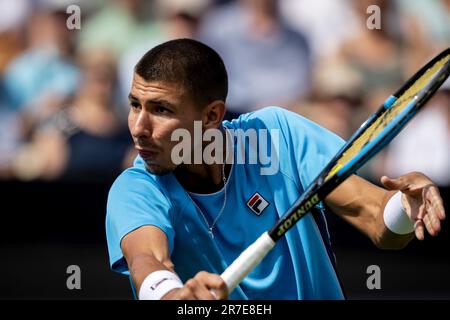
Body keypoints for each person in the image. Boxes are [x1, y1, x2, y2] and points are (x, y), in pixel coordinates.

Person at [105, 39, 445, 300]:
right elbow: (147, 260)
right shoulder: (135, 188)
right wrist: (174, 295)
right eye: (135, 104)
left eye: (160, 109)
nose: (138, 126)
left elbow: (374, 218)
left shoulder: (276, 134)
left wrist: (403, 207)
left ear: (212, 116)